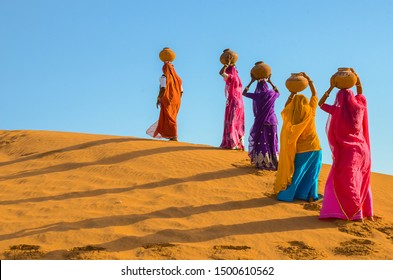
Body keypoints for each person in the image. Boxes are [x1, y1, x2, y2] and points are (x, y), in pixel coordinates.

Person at [319, 68, 373, 221]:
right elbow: (361, 94)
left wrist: (331, 87)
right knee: (361, 178)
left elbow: (320, 103)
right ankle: (363, 211)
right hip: (363, 150)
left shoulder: (337, 111)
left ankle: (355, 213)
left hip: (349, 152)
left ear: (339, 98)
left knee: (343, 181)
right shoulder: (359, 107)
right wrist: (357, 79)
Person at [274, 72, 322, 202]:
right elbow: (315, 95)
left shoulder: (291, 115)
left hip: (300, 149)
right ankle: (311, 195)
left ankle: (289, 194)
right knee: (313, 172)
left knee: (298, 173)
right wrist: (309, 79)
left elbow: (286, 106)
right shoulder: (311, 111)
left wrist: (292, 92)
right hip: (314, 147)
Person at [242, 74, 279, 170]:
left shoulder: (257, 96)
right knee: (272, 142)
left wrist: (251, 81)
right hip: (273, 122)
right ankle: (275, 161)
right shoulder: (272, 94)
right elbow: (278, 92)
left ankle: (264, 162)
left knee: (263, 142)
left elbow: (244, 93)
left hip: (262, 123)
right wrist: (270, 81)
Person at [146, 61, 183, 141]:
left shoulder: (164, 77)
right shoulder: (178, 79)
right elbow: (181, 91)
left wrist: (159, 98)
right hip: (177, 100)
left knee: (168, 117)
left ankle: (173, 136)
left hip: (167, 99)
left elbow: (163, 88)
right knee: (172, 117)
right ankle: (172, 135)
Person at [218, 60, 245, 150]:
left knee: (233, 121)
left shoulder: (234, 78)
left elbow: (221, 73)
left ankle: (234, 142)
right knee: (234, 121)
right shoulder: (232, 77)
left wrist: (226, 66)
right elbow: (221, 73)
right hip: (236, 102)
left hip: (235, 102)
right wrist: (226, 65)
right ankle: (234, 142)